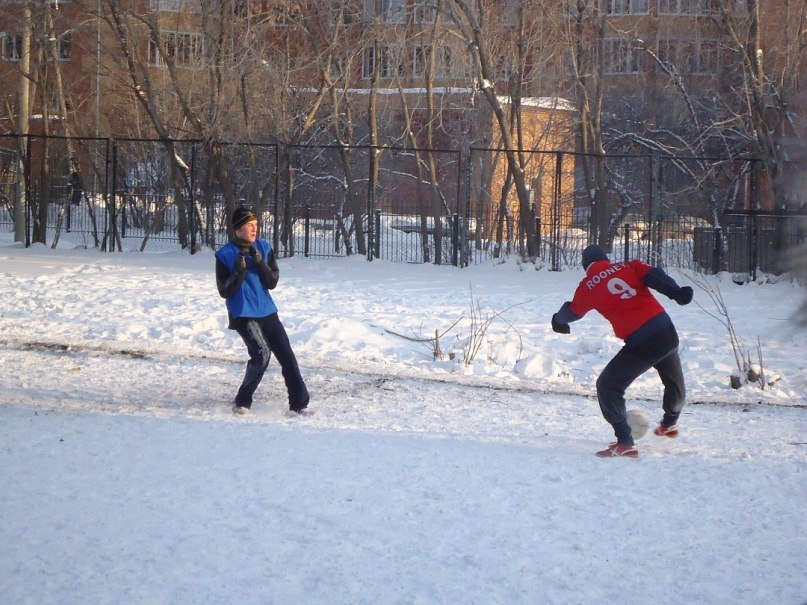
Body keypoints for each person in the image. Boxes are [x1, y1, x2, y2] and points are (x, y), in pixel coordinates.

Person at [551, 245, 693, 458]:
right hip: (666, 330)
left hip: (641, 340)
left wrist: (558, 321)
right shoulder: (629, 266)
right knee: (672, 378)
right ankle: (670, 423)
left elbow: (573, 311)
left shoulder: (588, 285)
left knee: (608, 386)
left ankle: (625, 442)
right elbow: (656, 276)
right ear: (605, 259)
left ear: (585, 266)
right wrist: (677, 293)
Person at [215, 207, 309, 415]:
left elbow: (272, 282)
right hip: (243, 314)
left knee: (287, 356)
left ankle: (299, 403)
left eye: (256, 225)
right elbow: (225, 291)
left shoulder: (264, 249)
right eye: (249, 225)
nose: (254, 229)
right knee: (261, 355)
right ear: (238, 229)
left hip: (267, 311)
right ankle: (242, 401)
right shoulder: (224, 255)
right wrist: (239, 271)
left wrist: (259, 261)